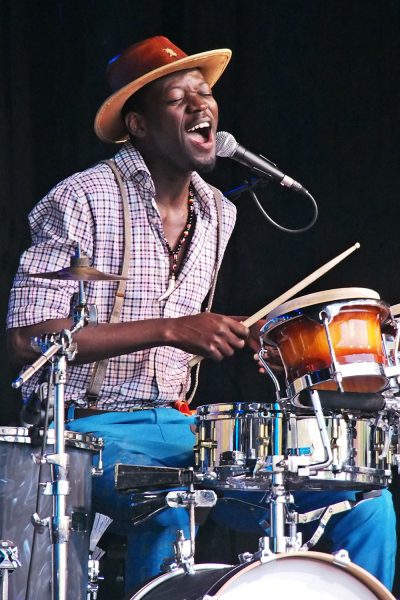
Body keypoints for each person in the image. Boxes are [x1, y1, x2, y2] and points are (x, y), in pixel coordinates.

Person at [6, 35, 396, 595]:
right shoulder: (81, 199)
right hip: (84, 429)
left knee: (360, 499)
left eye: (204, 91)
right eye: (177, 97)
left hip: (182, 425)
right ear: (138, 125)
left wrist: (263, 339)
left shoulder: (218, 211)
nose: (200, 104)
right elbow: (27, 340)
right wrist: (171, 329)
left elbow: (188, 323)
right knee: (170, 494)